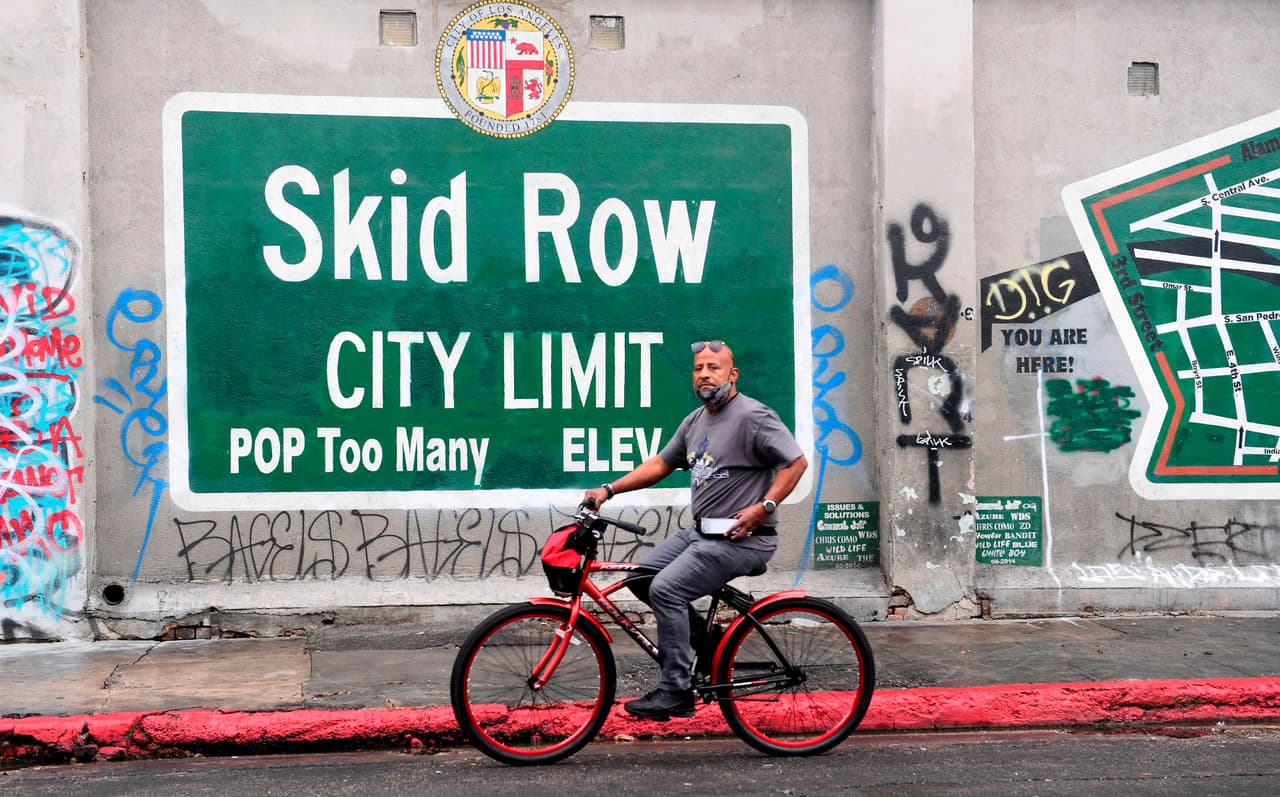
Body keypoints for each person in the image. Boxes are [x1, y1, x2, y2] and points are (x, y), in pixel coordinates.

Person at [581, 339, 807, 721]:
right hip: (702, 534)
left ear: (733, 374)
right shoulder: (695, 421)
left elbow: (795, 463)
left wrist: (764, 507)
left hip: (743, 539)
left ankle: (676, 690)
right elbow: (661, 464)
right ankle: (710, 644)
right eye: (698, 368)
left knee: (666, 589)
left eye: (713, 368)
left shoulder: (754, 416)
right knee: (642, 578)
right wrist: (609, 490)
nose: (704, 374)